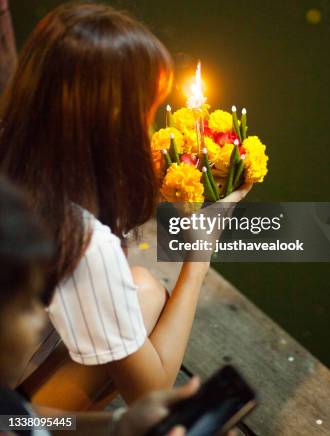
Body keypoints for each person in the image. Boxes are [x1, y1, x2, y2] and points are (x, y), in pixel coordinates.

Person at [0, 1, 251, 410]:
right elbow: (149, 393)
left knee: (144, 292)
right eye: (147, 109)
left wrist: (150, 182)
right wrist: (199, 255)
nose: (149, 125)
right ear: (110, 118)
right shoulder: (80, 241)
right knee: (148, 295)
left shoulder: (14, 144)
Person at [0, 173, 202, 436]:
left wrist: (117, 424)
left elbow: (17, 419)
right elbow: (154, 389)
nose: (42, 317)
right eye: (27, 306)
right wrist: (199, 260)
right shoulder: (79, 237)